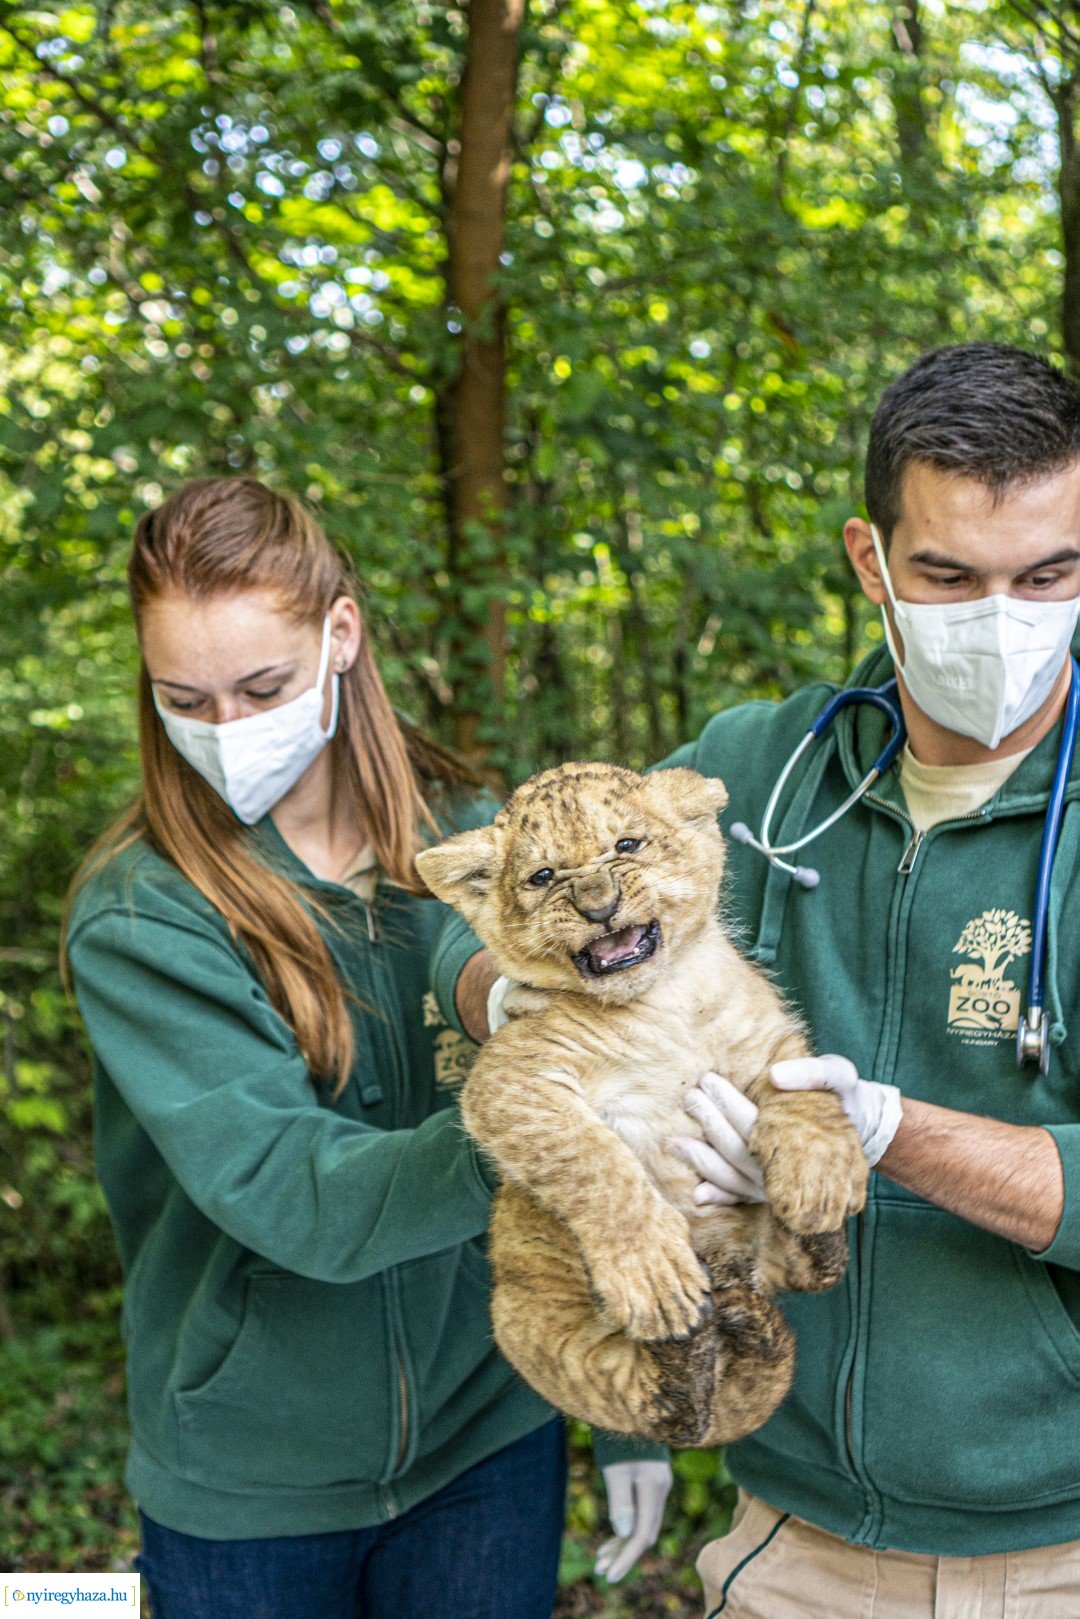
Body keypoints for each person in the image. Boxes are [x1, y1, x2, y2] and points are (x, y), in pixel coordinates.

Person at [435, 343, 1080, 1617]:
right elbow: (492, 911)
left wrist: (882, 1131)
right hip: (789, 1539)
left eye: (1048, 573)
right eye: (949, 574)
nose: (998, 615)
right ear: (870, 558)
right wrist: (520, 1000)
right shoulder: (762, 760)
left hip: (1058, 1545)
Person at [62, 476, 664, 1619]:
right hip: (252, 1489)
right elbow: (302, 1198)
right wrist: (549, 1119)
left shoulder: (466, 834)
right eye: (184, 697)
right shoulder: (143, 916)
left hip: (489, 1439)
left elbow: (484, 970)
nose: (227, 733)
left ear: (340, 633)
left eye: (261, 686)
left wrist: (616, 1389)